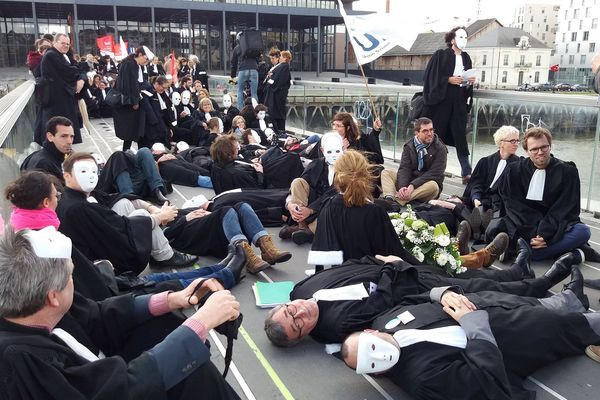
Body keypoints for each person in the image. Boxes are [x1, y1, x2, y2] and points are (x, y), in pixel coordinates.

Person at [0, 227, 241, 400]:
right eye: (71, 276)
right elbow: (115, 391)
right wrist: (199, 324)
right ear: (53, 296)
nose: (73, 280)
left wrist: (173, 300)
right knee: (190, 372)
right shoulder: (18, 361)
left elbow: (96, 316)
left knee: (160, 326)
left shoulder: (32, 308)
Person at [263, 243, 577, 347]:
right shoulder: (333, 327)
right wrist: (391, 269)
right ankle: (540, 285)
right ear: (304, 335)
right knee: (477, 290)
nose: (300, 313)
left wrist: (376, 260)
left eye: (290, 311)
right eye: (299, 324)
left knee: (470, 276)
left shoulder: (301, 289)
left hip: (397, 268)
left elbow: (346, 266)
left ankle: (520, 271)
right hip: (410, 289)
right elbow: (380, 301)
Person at [341, 279, 599, 400]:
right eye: (369, 364)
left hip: (488, 306)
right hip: (508, 336)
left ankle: (570, 299)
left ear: (371, 333)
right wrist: (472, 323)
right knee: (564, 325)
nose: (378, 357)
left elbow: (414, 298)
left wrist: (441, 294)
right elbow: (486, 376)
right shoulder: (423, 379)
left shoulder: (383, 322)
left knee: (532, 302)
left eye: (370, 348)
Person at [57, 152, 197, 274]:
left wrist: (151, 208)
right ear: (67, 176)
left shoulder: (78, 196)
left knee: (123, 203)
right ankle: (165, 256)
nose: (91, 176)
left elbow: (115, 198)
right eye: (83, 172)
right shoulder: (79, 207)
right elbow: (122, 226)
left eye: (94, 171)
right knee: (142, 216)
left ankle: (158, 250)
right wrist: (159, 217)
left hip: (105, 241)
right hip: (110, 261)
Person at [493, 127, 600, 262]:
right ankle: (575, 254)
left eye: (544, 147)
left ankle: (527, 253)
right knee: (500, 229)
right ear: (526, 151)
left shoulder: (568, 171)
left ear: (550, 146)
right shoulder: (514, 171)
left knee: (583, 231)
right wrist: (535, 232)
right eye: (534, 149)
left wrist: (545, 234)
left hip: (556, 225)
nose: (540, 152)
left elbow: (566, 207)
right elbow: (513, 205)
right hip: (525, 224)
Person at [308, 150, 419, 266]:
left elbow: (321, 256)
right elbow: (392, 254)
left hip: (339, 275)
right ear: (366, 173)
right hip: (370, 276)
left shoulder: (329, 206)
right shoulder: (375, 212)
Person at [422, 26, 475, 184]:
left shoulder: (466, 58)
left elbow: (466, 83)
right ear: (452, 39)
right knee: (438, 136)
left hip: (458, 102)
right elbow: (430, 76)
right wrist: (448, 79)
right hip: (441, 102)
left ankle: (466, 172)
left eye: (466, 38)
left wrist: (469, 81)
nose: (463, 41)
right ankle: (433, 169)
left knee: (460, 136)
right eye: (460, 37)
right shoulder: (441, 55)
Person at [279, 132, 342, 245]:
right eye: (329, 152)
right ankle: (302, 225)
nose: (334, 155)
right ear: (322, 150)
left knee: (335, 206)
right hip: (311, 206)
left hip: (334, 208)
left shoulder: (348, 167)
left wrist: (311, 210)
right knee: (298, 182)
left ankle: (309, 231)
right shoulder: (316, 164)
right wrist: (290, 205)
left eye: (337, 151)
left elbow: (335, 192)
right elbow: (297, 187)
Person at [380, 117, 447, 205]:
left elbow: (435, 173)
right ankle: (390, 196)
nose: (430, 133)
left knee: (433, 186)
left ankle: (397, 200)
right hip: (409, 182)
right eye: (425, 131)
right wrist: (402, 187)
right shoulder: (409, 146)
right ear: (417, 133)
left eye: (431, 130)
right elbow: (404, 168)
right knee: (386, 172)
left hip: (425, 186)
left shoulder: (440, 148)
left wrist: (412, 185)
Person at [35, 33, 85, 145]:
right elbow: (70, 71)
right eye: (63, 43)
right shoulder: (51, 55)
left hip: (61, 101)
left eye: (68, 44)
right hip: (56, 103)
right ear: (54, 43)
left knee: (61, 132)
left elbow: (78, 69)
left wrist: (81, 78)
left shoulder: (61, 55)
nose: (66, 46)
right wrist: (80, 77)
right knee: (57, 133)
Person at [113, 47, 148, 151]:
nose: (146, 61)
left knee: (131, 128)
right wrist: (135, 101)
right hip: (128, 103)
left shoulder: (133, 65)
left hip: (130, 101)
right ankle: (126, 151)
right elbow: (130, 85)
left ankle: (127, 150)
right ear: (140, 54)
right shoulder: (130, 65)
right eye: (145, 58)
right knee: (129, 128)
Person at [21, 116, 74, 181]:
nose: (69, 141)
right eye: (63, 136)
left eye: (71, 136)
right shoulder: (43, 164)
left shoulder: (40, 156)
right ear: (50, 136)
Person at [264, 50, 292, 132]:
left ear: (285, 58)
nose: (280, 58)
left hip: (277, 94)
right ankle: (278, 130)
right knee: (275, 112)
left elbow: (280, 81)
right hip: (276, 93)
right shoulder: (282, 66)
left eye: (281, 56)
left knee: (277, 113)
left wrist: (273, 86)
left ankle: (279, 130)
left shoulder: (284, 67)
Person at [231, 32, 260, 109]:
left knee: (240, 91)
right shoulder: (252, 47)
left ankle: (241, 110)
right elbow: (258, 59)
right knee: (254, 92)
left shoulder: (237, 48)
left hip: (243, 69)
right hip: (254, 69)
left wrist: (232, 77)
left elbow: (233, 63)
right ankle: (256, 109)